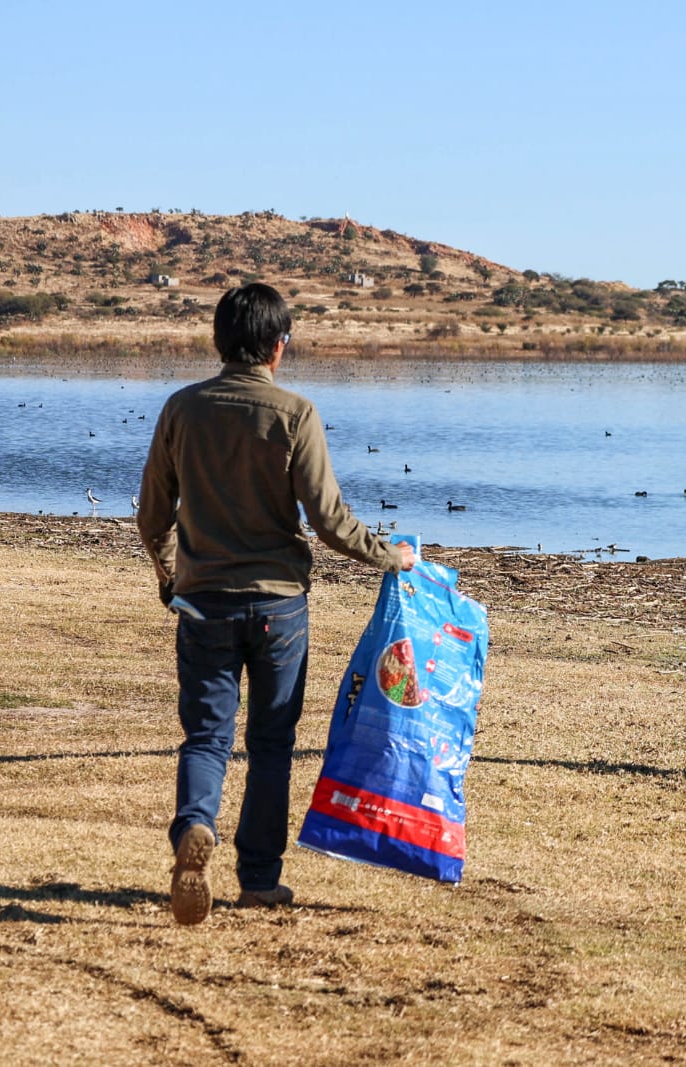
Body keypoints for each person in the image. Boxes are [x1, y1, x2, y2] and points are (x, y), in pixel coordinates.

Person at [138, 283, 416, 926]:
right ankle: (259, 879)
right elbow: (328, 519)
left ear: (217, 341)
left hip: (203, 601)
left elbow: (153, 512)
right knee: (270, 743)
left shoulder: (182, 408)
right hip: (279, 609)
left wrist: (167, 575)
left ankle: (193, 828)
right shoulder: (295, 413)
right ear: (279, 347)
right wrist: (389, 556)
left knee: (206, 735)